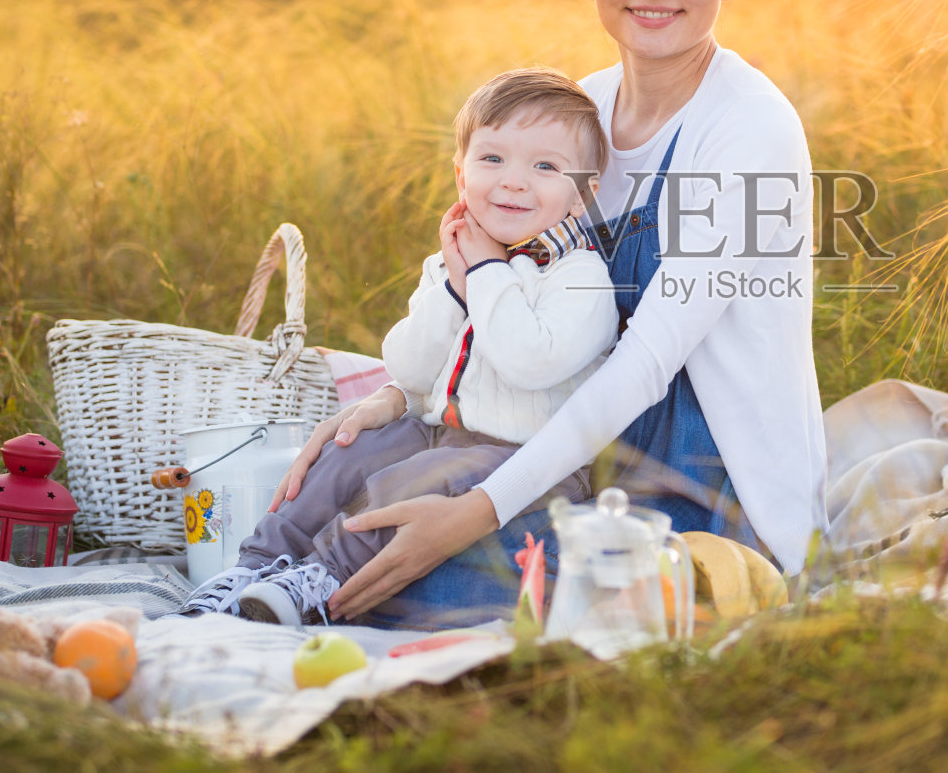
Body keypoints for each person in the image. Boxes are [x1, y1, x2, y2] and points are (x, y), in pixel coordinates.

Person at [279, 0, 827, 628]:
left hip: (711, 498)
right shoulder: (576, 118)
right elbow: (497, 300)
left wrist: (475, 511)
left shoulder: (750, 129)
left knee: (412, 572)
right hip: (572, 471)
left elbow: (644, 364)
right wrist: (394, 400)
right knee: (342, 504)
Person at [177, 68, 619, 624]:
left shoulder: (580, 278)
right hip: (441, 431)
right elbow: (408, 368)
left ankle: (321, 580)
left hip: (528, 461)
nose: (513, 181)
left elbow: (529, 363)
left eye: (546, 167)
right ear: (460, 175)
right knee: (350, 454)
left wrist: (486, 272)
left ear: (583, 195)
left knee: (409, 482)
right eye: (492, 158)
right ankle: (256, 565)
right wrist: (454, 288)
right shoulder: (452, 264)